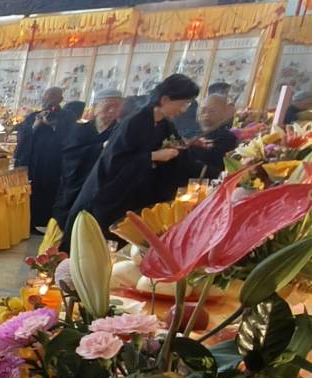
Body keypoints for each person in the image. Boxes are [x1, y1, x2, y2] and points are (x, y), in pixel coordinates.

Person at [63, 74, 199, 249]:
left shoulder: (166, 125)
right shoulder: (134, 121)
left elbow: (176, 153)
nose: (184, 109)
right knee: (98, 246)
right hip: (110, 195)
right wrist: (153, 156)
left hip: (136, 196)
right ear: (165, 99)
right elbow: (115, 161)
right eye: (183, 103)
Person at [51, 90, 122, 234]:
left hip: (102, 186)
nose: (112, 111)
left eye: (117, 107)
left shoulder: (119, 132)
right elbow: (70, 154)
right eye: (108, 106)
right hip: (76, 183)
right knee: (68, 223)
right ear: (95, 107)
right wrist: (101, 147)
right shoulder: (80, 129)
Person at [14, 86, 65, 233]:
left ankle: (48, 223)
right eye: (47, 96)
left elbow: (69, 136)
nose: (49, 99)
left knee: (50, 192)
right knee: (32, 191)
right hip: (33, 161)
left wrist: (54, 126)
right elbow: (22, 136)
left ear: (60, 99)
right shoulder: (34, 116)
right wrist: (35, 126)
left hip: (54, 163)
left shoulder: (66, 117)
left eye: (53, 96)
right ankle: (29, 223)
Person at [182, 92, 238, 179]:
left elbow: (219, 167)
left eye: (212, 111)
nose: (206, 114)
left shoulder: (227, 137)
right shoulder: (189, 131)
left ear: (223, 114)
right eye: (203, 110)